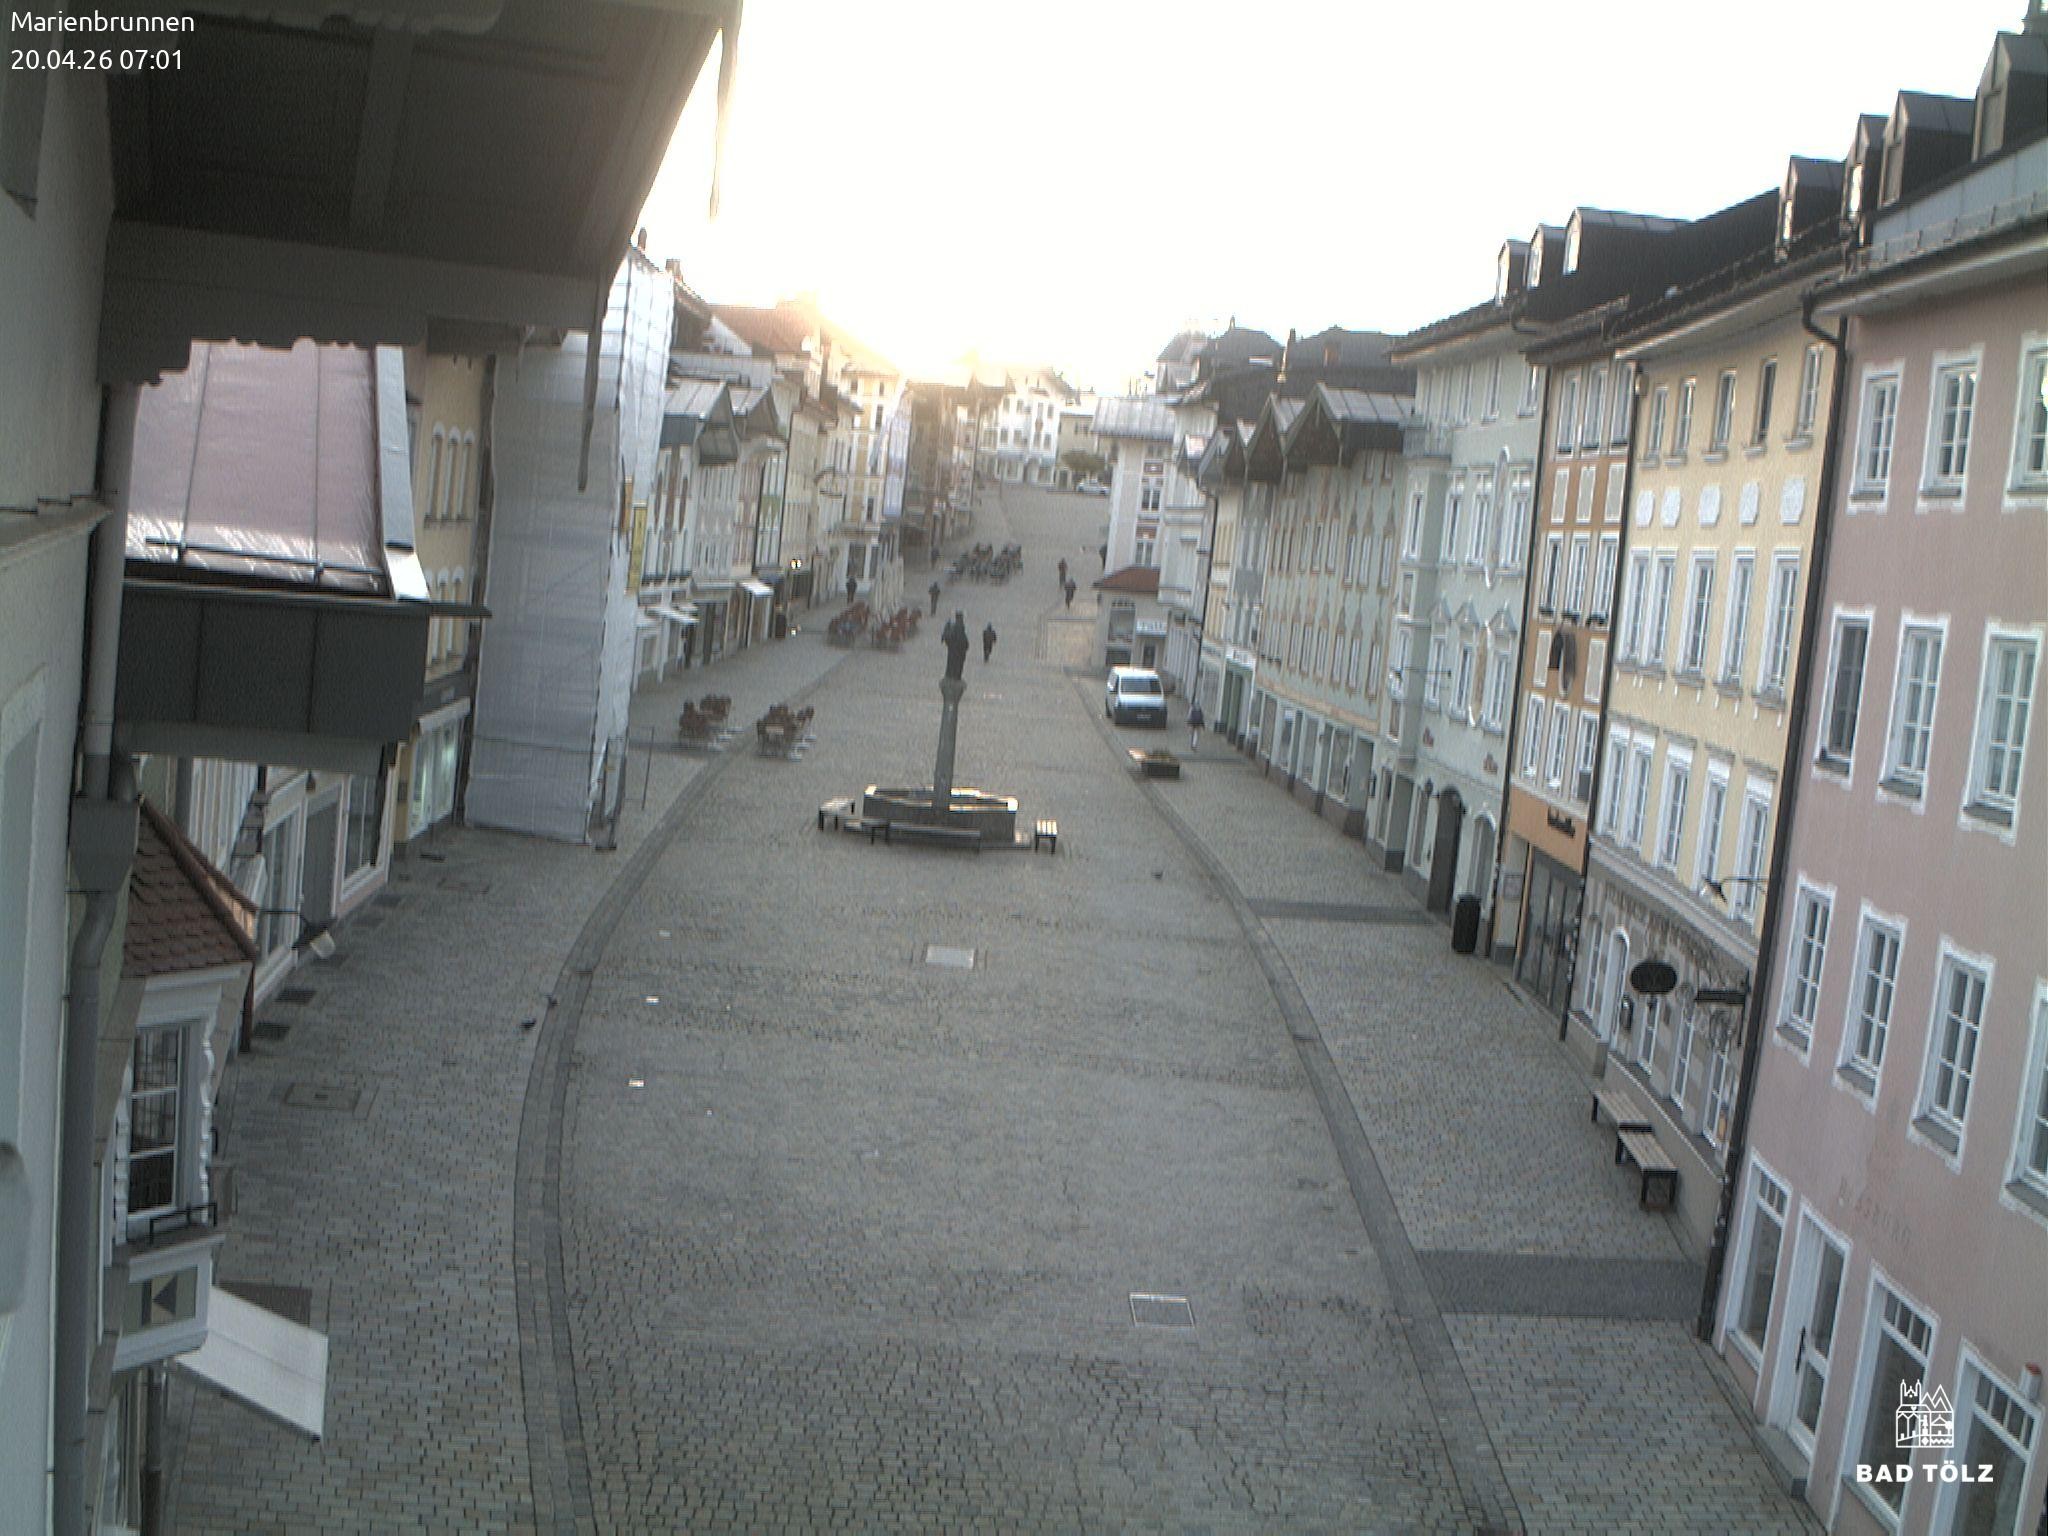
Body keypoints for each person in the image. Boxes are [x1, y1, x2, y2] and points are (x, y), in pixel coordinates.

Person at [941, 611, 969, 680]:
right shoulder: (958, 626)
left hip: (954, 650)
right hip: (958, 650)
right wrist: (965, 645)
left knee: (952, 663)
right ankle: (955, 676)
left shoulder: (954, 626)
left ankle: (951, 675)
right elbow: (961, 638)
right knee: (957, 664)